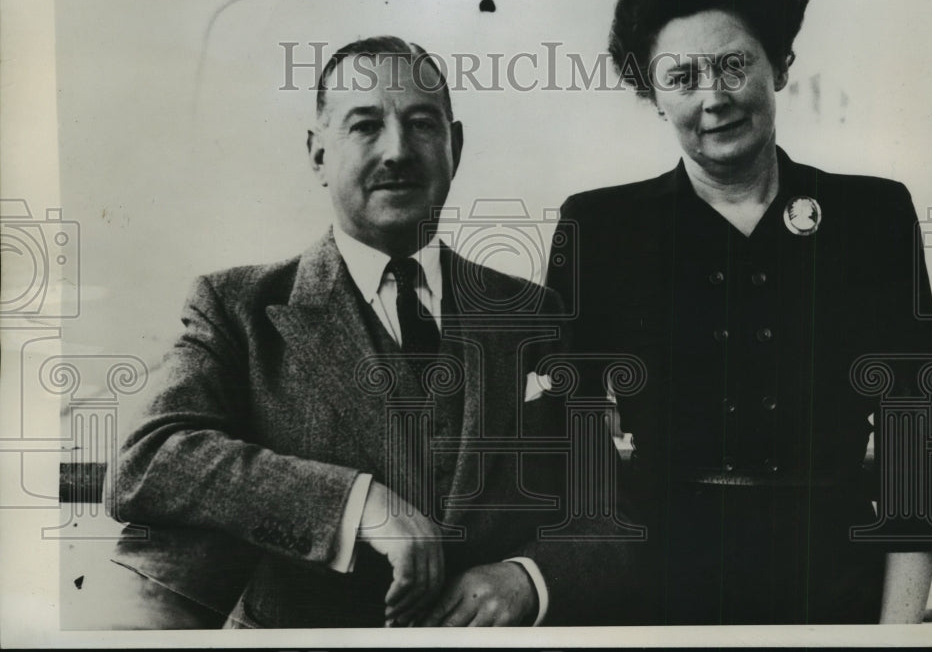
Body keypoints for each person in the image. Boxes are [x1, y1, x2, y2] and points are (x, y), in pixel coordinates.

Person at [106, 36, 635, 628]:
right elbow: (146, 460)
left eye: (422, 124)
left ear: (454, 147)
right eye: (364, 125)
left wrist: (527, 580)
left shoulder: (535, 313)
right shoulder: (237, 309)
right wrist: (355, 505)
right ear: (317, 154)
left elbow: (607, 512)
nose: (398, 150)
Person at [545, 0, 932, 625]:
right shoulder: (600, 228)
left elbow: (912, 445)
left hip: (837, 591)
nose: (713, 96)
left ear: (780, 66)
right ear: (653, 96)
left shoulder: (873, 216)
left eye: (734, 64)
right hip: (657, 595)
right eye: (681, 77)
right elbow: (574, 459)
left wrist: (896, 637)